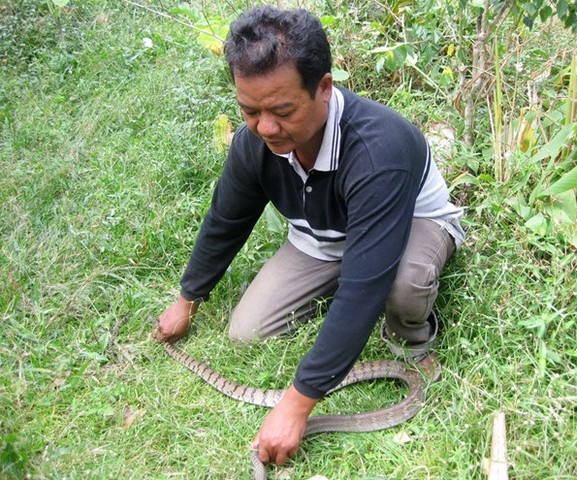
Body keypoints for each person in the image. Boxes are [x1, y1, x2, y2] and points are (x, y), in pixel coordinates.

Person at [153, 5, 464, 467]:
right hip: (321, 238)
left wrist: (298, 403)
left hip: (410, 224)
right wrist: (187, 298)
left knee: (402, 285)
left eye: (281, 110)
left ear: (324, 87)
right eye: (250, 110)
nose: (266, 128)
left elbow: (363, 290)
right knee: (246, 332)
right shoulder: (253, 142)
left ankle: (411, 342)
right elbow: (226, 221)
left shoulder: (382, 149)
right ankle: (340, 283)